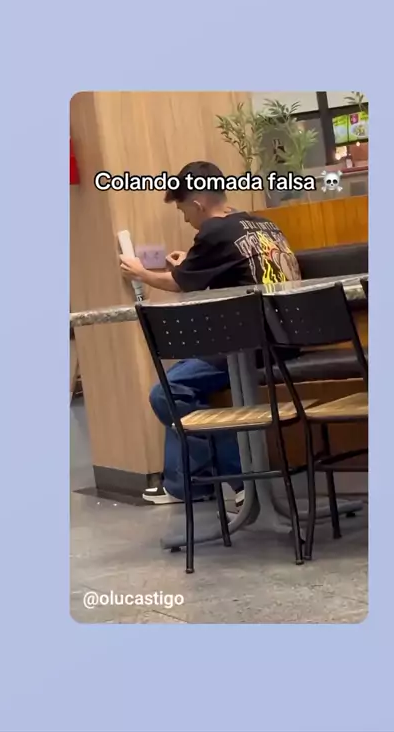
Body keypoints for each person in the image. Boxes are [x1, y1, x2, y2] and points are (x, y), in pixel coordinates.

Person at [119, 161, 301, 504]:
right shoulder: (262, 224)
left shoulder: (214, 231)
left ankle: (242, 480)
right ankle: (186, 484)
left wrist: (140, 272)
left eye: (183, 209)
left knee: (168, 392)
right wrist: (190, 264)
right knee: (179, 383)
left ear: (198, 202)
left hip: (253, 345)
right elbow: (238, 270)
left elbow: (179, 284)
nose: (186, 219)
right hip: (290, 337)